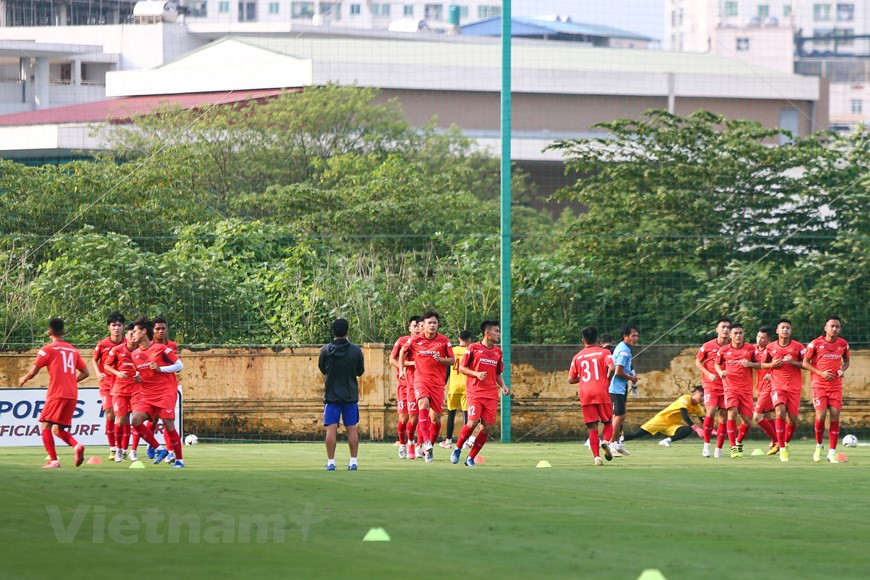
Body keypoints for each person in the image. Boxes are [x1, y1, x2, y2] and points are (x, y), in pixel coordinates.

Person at [18, 318, 90, 468]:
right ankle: (76, 446)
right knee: (59, 428)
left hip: (57, 393)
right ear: (63, 332)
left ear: (49, 332)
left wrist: (23, 378)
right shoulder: (73, 350)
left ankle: (54, 460)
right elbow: (85, 372)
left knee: (45, 426)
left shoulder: (47, 349)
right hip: (72, 394)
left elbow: (33, 371)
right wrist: (70, 382)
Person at [129, 317, 186, 468]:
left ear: (144, 331)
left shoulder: (161, 349)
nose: (132, 334)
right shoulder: (134, 354)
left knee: (168, 424)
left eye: (135, 331)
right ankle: (159, 449)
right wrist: (138, 378)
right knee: (135, 420)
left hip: (165, 392)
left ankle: (179, 460)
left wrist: (161, 369)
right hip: (147, 394)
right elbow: (143, 372)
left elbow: (180, 366)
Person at [398, 310, 454, 463]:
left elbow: (453, 360)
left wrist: (441, 359)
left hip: (437, 383)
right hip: (420, 380)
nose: (432, 325)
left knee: (435, 419)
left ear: (438, 324)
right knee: (422, 404)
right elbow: (403, 351)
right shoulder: (416, 340)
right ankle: (422, 443)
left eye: (435, 323)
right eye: (429, 323)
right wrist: (402, 368)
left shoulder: (444, 341)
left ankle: (429, 446)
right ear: (424, 325)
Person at [451, 320, 508, 466]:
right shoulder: (473, 348)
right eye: (496, 331)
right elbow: (462, 368)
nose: (499, 334)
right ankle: (457, 448)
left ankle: (470, 457)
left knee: (487, 427)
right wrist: (476, 374)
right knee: (472, 422)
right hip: (475, 392)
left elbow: (497, 373)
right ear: (487, 333)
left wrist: (503, 386)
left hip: (491, 394)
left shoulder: (498, 352)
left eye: (499, 331)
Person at [319, 318, 365, 471]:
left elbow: (323, 369)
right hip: (350, 395)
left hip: (332, 396)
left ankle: (331, 462)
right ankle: (353, 462)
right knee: (352, 429)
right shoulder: (355, 351)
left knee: (331, 429)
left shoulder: (325, 350)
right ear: (347, 331)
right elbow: (360, 371)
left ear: (333, 332)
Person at [803, 316, 850, 463]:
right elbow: (805, 363)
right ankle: (819, 445)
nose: (834, 329)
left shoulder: (843, 344)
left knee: (835, 414)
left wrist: (842, 369)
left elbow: (847, 361)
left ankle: (832, 452)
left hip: (835, 385)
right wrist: (820, 373)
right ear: (826, 328)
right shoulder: (816, 343)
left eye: (837, 326)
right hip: (819, 384)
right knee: (821, 416)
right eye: (832, 326)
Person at [566, 326, 614, 466]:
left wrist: (584, 379)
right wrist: (607, 378)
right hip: (601, 390)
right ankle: (605, 442)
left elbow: (570, 379)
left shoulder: (577, 357)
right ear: (597, 339)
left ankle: (596, 458)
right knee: (607, 422)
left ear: (583, 340)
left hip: (585, 393)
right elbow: (611, 367)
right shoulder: (604, 352)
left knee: (592, 427)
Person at [760, 318, 805, 462]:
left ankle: (786, 443)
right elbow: (763, 364)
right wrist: (772, 364)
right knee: (780, 411)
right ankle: (782, 449)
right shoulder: (771, 347)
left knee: (792, 420)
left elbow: (806, 364)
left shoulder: (798, 347)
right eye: (783, 328)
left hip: (794, 387)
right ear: (777, 331)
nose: (785, 330)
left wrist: (793, 362)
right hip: (777, 385)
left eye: (788, 328)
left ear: (791, 331)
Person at [714, 323, 761, 458]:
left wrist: (751, 364)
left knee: (747, 421)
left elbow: (760, 364)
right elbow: (717, 363)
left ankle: (738, 442)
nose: (738, 335)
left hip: (746, 390)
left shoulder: (751, 349)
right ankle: (733, 446)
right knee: (732, 411)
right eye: (735, 333)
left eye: (740, 333)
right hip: (730, 388)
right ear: (730, 335)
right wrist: (720, 371)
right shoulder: (723, 350)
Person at [622, 386, 706, 446]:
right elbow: (684, 414)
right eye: (701, 395)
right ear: (695, 393)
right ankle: (618, 440)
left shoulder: (698, 407)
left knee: (687, 430)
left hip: (672, 425)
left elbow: (704, 419)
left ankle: (666, 441)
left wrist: (710, 430)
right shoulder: (685, 399)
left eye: (704, 397)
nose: (702, 398)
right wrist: (696, 428)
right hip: (661, 420)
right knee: (637, 434)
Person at [696, 317, 731, 458]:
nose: (726, 329)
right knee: (710, 411)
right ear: (717, 329)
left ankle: (719, 448)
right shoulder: (708, 345)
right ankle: (706, 446)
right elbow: (698, 362)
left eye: (728, 327)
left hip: (727, 386)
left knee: (723, 415)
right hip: (710, 384)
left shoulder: (733, 347)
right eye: (723, 327)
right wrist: (708, 373)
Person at [92, 312, 125, 460]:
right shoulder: (102, 344)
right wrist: (98, 373)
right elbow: (94, 360)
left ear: (123, 327)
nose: (116, 328)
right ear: (109, 328)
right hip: (106, 385)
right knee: (110, 414)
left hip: (122, 385)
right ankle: (112, 448)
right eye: (114, 325)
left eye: (119, 325)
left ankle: (123, 449)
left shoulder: (128, 344)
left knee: (123, 418)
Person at [389, 315, 421, 459]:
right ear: (409, 328)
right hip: (404, 385)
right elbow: (392, 359)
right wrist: (403, 368)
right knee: (404, 418)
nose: (417, 329)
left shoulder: (426, 344)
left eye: (419, 326)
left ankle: (416, 445)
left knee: (419, 418)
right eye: (414, 326)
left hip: (420, 385)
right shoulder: (402, 341)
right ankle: (402, 443)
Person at [104, 324, 137, 462]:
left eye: (136, 334)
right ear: (126, 336)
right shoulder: (117, 350)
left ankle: (132, 450)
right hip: (120, 390)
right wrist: (118, 373)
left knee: (136, 420)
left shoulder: (143, 350)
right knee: (121, 420)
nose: (134, 337)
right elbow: (106, 365)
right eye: (131, 334)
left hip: (137, 390)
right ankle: (118, 449)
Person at [607, 324, 639, 457]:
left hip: (621, 387)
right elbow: (618, 371)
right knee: (620, 416)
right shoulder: (624, 350)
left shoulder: (625, 348)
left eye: (637, 335)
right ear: (625, 336)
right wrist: (632, 378)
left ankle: (617, 444)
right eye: (633, 336)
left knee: (618, 416)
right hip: (616, 388)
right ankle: (612, 444)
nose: (636, 338)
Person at [153, 317, 181, 463]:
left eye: (163, 328)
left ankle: (170, 452)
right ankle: (151, 446)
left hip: (168, 388)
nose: (161, 331)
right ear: (152, 331)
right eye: (157, 328)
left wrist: (160, 369)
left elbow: (176, 366)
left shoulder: (171, 346)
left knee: (168, 421)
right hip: (150, 389)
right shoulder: (147, 346)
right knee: (149, 419)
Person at [441, 329, 472, 449]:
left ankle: (448, 441)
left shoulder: (452, 351)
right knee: (466, 415)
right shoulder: (470, 351)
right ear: (469, 339)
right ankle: (465, 441)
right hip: (466, 387)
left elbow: (447, 370)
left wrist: (443, 384)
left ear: (459, 339)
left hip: (453, 387)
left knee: (451, 414)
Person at [752, 326, 779, 454]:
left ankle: (778, 441)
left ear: (768, 340)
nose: (759, 340)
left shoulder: (773, 350)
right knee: (768, 416)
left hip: (770, 387)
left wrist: (772, 372)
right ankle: (777, 440)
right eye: (758, 337)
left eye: (763, 338)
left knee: (757, 416)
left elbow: (780, 363)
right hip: (760, 387)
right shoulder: (752, 349)